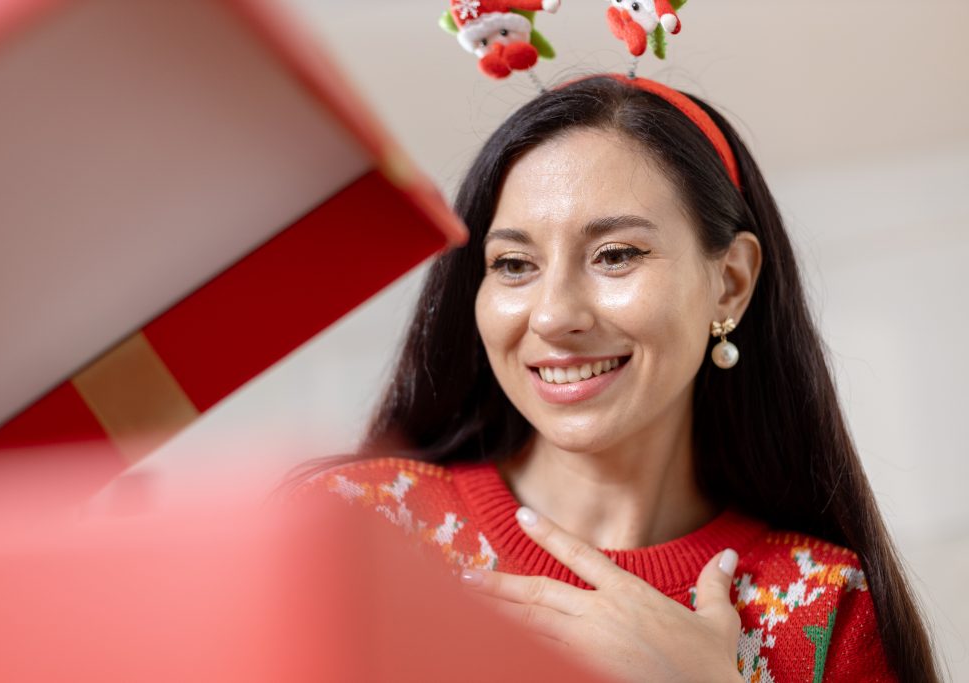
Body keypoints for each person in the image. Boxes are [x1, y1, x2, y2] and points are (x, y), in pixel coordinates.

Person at [292, 75, 939, 682]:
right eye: (514, 264)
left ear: (730, 283)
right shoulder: (352, 528)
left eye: (616, 254)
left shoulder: (827, 608)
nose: (554, 315)